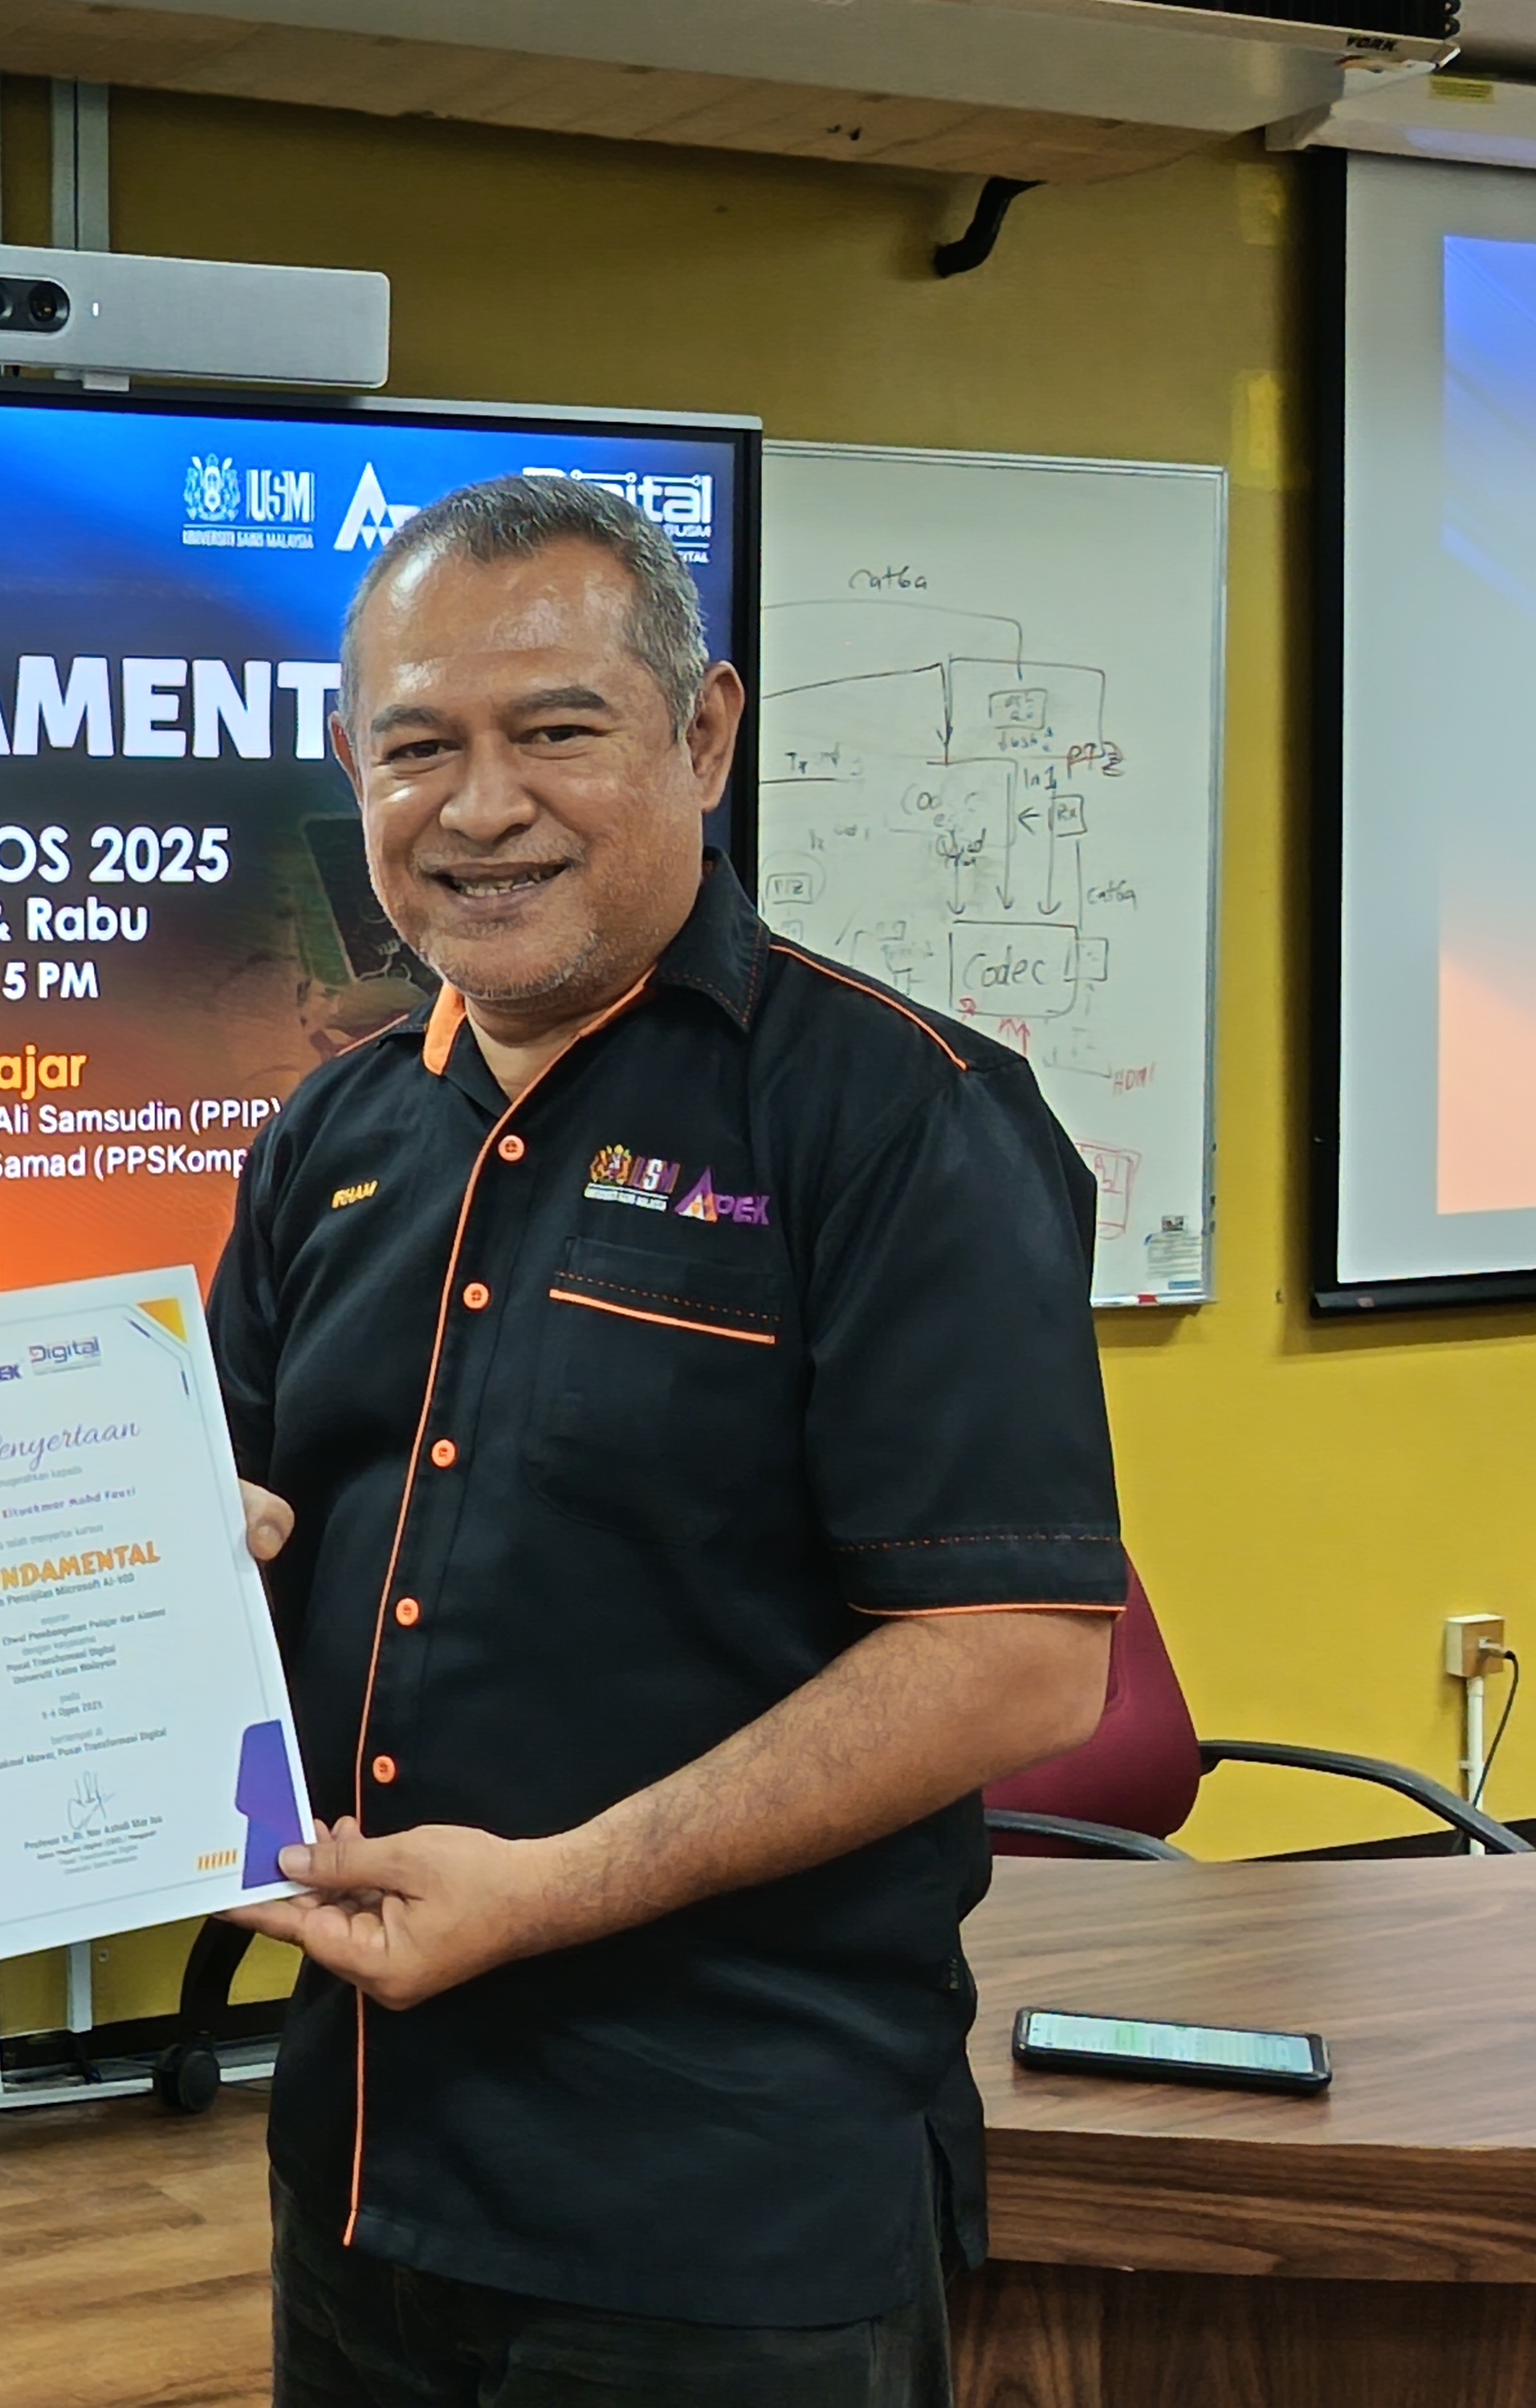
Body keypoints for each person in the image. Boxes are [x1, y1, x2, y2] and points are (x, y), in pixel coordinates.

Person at [212, 475, 1126, 2408]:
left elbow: (1014, 1658)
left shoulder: (899, 1121)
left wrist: (551, 1890)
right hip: (361, 2167)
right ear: (350, 770)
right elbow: (232, 1530)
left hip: (721, 2216)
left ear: (701, 737)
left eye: (554, 731)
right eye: (417, 748)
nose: (479, 809)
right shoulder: (327, 1140)